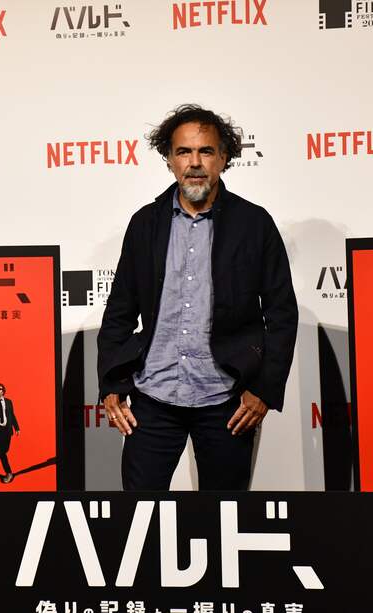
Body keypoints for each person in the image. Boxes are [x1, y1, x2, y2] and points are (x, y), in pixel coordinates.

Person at [97, 104, 298, 491]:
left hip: (226, 401)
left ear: (224, 158)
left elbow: (281, 315)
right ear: (169, 160)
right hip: (152, 398)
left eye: (206, 151)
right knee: (140, 518)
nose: (194, 163)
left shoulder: (254, 224)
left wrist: (264, 391)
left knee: (224, 522)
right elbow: (119, 310)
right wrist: (112, 383)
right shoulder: (145, 223)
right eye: (183, 152)